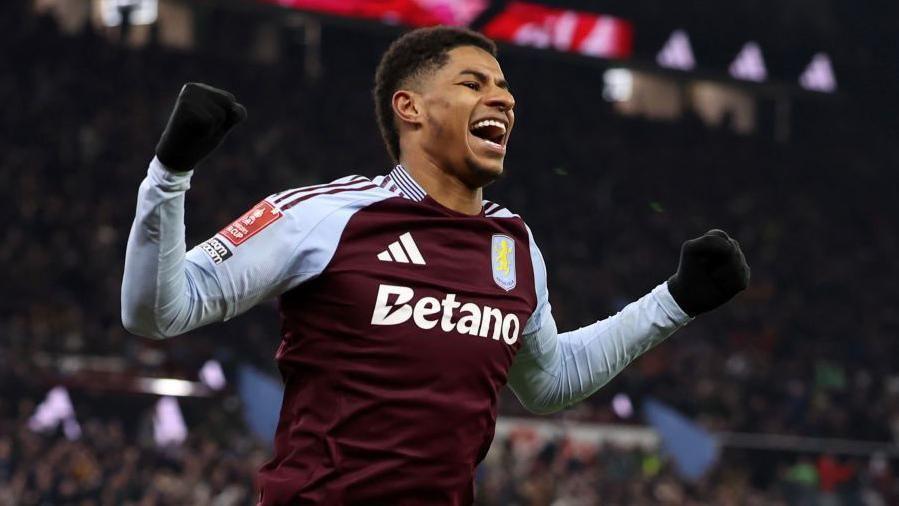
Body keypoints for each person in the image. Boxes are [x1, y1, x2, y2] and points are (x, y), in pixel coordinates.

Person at [121, 26, 749, 505]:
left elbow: (549, 381)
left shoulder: (514, 244)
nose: (501, 100)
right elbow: (158, 312)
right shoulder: (325, 216)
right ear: (411, 108)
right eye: (474, 84)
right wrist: (170, 175)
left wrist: (674, 301)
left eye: (505, 88)